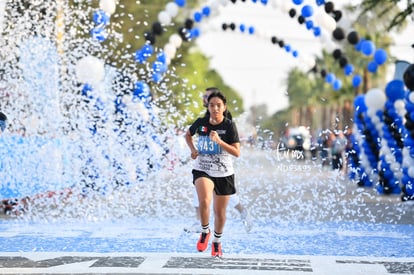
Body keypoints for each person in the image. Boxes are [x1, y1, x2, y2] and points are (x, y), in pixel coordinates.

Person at [185, 87, 252, 234]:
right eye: (209, 101)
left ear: (223, 106)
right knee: (201, 196)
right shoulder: (203, 120)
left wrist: (219, 142)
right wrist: (193, 150)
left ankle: (242, 213)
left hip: (222, 169)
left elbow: (235, 151)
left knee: (222, 204)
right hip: (203, 168)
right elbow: (189, 134)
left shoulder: (227, 123)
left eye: (217, 104)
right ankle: (201, 224)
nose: (213, 106)